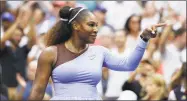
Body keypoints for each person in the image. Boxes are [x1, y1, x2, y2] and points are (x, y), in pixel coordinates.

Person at [29, 6, 166, 100]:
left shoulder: (100, 52)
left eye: (96, 25)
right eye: (91, 25)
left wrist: (143, 39)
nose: (96, 29)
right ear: (76, 25)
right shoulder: (50, 53)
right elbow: (37, 91)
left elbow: (129, 65)